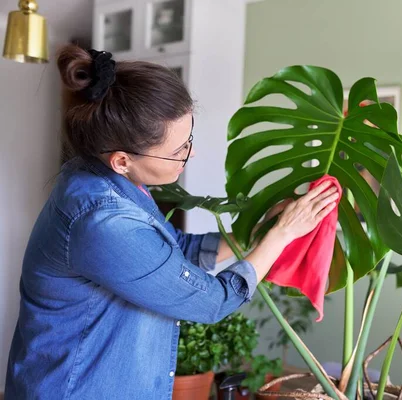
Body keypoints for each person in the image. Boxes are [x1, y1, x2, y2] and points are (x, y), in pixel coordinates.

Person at [4, 45, 339, 400]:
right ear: (122, 160)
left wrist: (256, 232)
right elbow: (211, 302)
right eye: (178, 150)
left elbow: (173, 252)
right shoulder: (104, 222)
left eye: (188, 139)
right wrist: (283, 234)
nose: (189, 154)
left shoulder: (106, 177)